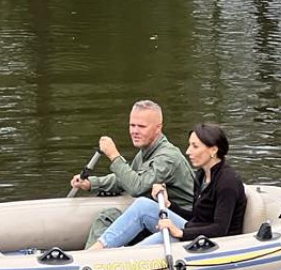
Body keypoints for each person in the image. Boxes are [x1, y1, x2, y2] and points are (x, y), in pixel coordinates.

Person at [89, 123, 246, 249]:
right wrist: (170, 205)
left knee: (162, 237)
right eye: (189, 145)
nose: (188, 151)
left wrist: (180, 232)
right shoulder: (202, 175)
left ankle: (112, 262)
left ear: (213, 150)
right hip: (194, 231)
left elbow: (220, 229)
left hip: (217, 245)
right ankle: (94, 252)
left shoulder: (227, 182)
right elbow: (197, 218)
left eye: (195, 146)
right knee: (143, 204)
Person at [69, 100, 195, 247]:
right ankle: (91, 261)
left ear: (158, 127)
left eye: (141, 126)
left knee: (138, 207)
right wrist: (92, 183)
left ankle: (94, 260)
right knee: (107, 216)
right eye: (132, 125)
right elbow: (126, 178)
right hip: (155, 216)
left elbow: (137, 186)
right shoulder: (146, 151)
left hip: (177, 218)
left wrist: (114, 155)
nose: (135, 131)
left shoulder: (167, 158)